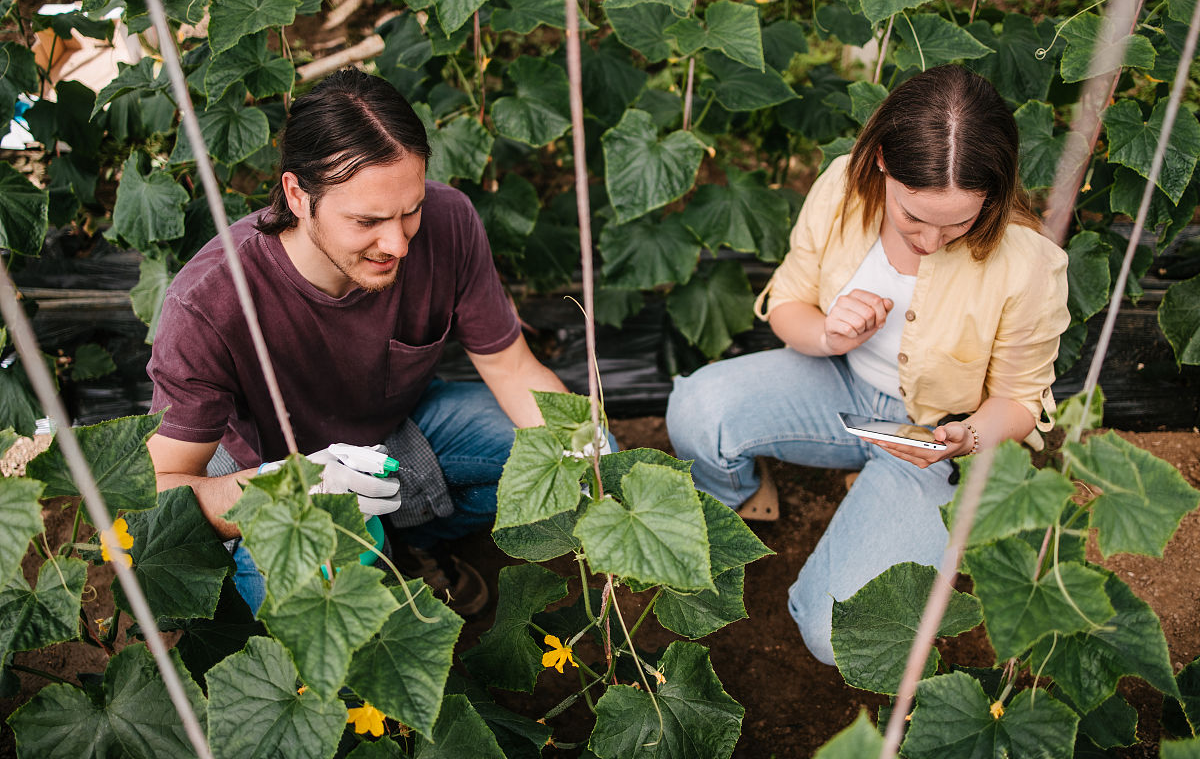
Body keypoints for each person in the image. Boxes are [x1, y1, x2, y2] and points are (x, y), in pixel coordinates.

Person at [665, 65, 1070, 665]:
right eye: (914, 217)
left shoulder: (1028, 264)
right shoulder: (841, 188)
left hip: (932, 437)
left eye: (960, 222)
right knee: (697, 412)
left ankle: (891, 498)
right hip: (835, 383)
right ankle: (746, 498)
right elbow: (786, 304)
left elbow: (1019, 399)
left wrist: (966, 438)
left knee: (842, 636)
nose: (933, 241)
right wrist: (829, 333)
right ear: (882, 160)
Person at [146, 69, 570, 617]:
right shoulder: (208, 301)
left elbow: (511, 369)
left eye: (409, 210)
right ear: (298, 195)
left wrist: (584, 448)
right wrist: (291, 489)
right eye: (366, 220)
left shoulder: (450, 222)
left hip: (395, 438)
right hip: (272, 475)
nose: (396, 243)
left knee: (555, 464)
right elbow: (159, 491)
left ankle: (412, 544)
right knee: (325, 631)